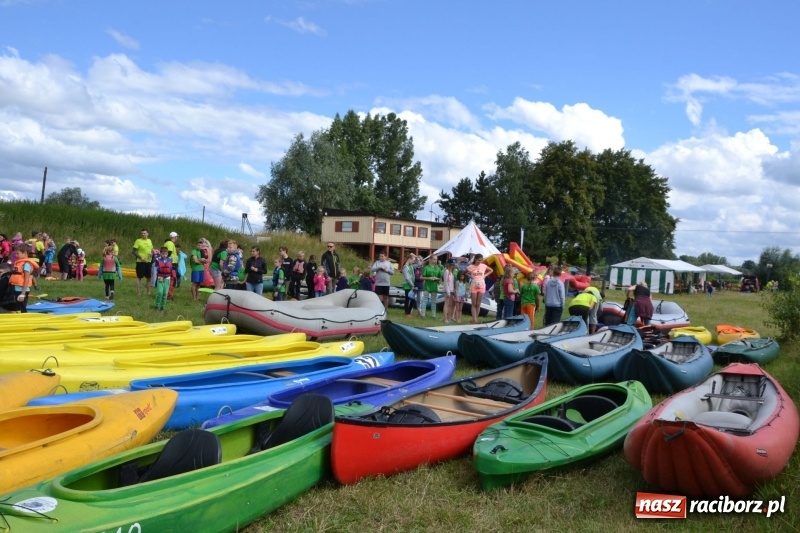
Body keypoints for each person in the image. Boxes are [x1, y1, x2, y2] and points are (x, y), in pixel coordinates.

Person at [9, 243, 37, 312]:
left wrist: (23, 294)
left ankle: (23, 319)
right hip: (16, 288)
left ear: (24, 252)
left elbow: (27, 278)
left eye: (18, 253)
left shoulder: (26, 264)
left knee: (21, 307)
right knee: (17, 306)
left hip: (21, 290)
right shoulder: (19, 263)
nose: (16, 255)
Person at [465, 254, 492, 324]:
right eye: (478, 260)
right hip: (474, 286)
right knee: (473, 303)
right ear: (475, 259)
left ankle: (475, 319)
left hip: (482, 286)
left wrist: (485, 275)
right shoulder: (471, 267)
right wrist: (471, 276)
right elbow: (464, 272)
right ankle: (474, 319)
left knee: (478, 304)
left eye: (481, 260)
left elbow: (491, 270)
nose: (479, 262)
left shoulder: (483, 266)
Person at [131, 228, 154, 296]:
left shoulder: (149, 241)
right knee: (139, 277)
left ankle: (148, 292)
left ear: (147, 234)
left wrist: (152, 254)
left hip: (148, 261)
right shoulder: (138, 241)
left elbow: (152, 250)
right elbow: (133, 251)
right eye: (142, 233)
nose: (143, 234)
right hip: (140, 262)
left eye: (144, 233)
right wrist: (140, 257)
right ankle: (138, 292)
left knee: (149, 277)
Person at [153, 246, 173, 311]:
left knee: (165, 293)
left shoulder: (170, 259)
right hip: (160, 278)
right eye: (163, 254)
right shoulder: (157, 259)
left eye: (166, 254)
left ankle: (162, 307)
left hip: (167, 278)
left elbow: (171, 268)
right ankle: (157, 306)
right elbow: (155, 265)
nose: (164, 255)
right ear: (160, 253)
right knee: (160, 292)